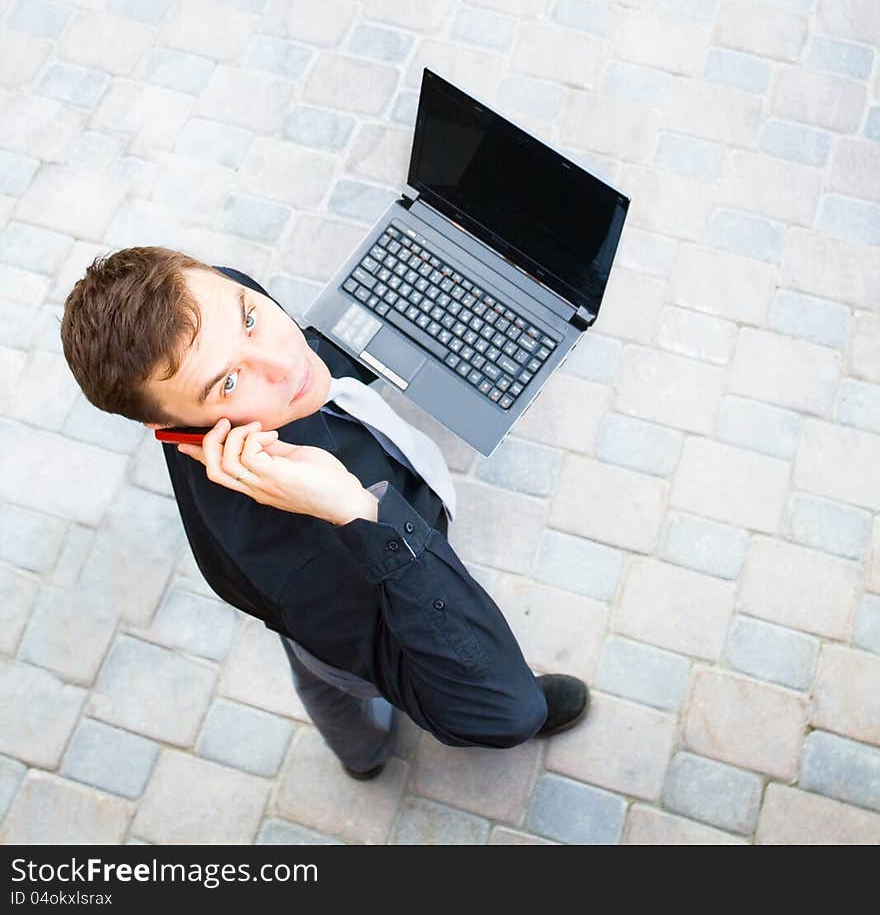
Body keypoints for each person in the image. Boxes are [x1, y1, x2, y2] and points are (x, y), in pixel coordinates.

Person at [61, 247, 590, 780]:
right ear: (172, 430)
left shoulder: (220, 302)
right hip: (341, 622)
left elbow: (298, 344)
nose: (286, 360)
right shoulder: (305, 558)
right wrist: (358, 512)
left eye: (249, 318)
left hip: (324, 591)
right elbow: (506, 711)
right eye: (227, 381)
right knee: (334, 678)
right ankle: (364, 756)